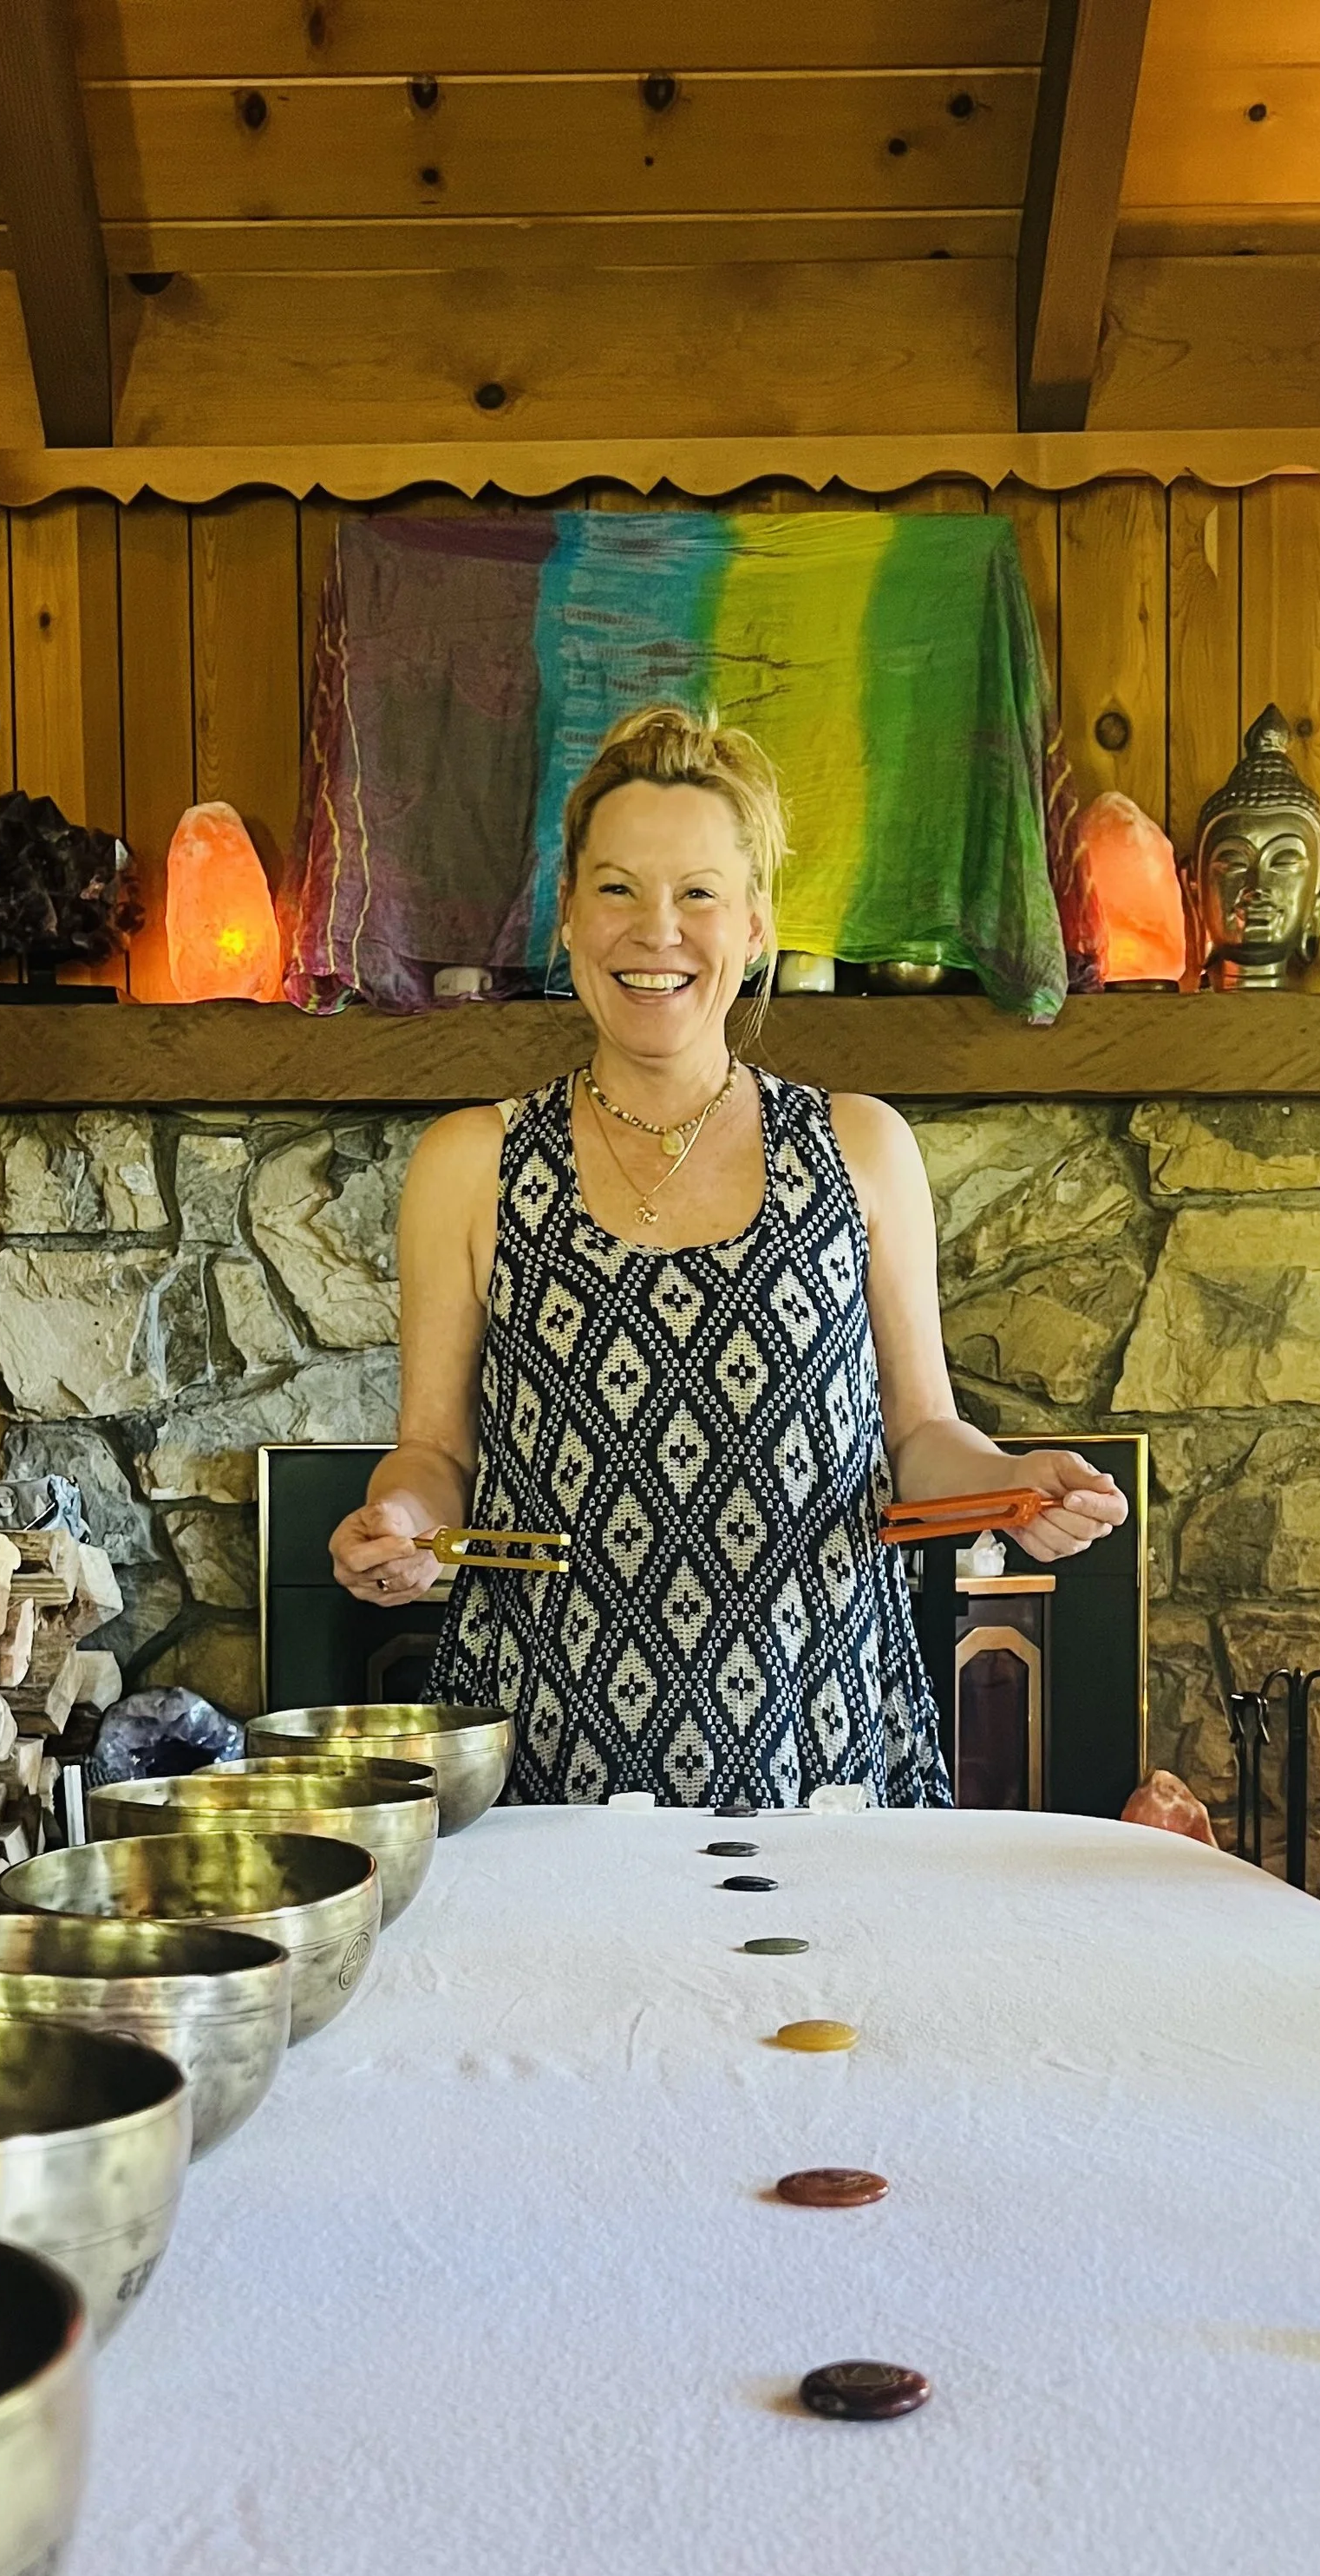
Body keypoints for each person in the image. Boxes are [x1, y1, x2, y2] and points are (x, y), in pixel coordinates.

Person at [329, 703, 1126, 1807]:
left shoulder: (861, 1147)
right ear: (565, 915)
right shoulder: (470, 1163)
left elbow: (922, 1434)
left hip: (823, 1733)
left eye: (698, 893)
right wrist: (402, 1523)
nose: (656, 931)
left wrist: (1010, 1485)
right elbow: (432, 1453)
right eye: (616, 887)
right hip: (547, 1744)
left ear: (754, 924)